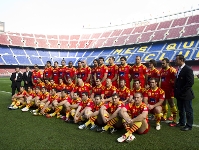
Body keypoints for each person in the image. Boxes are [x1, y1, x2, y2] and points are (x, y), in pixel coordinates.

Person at [172, 54, 194, 131]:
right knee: (181, 109)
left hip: (186, 94)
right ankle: (182, 122)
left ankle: (189, 125)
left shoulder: (188, 69)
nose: (175, 61)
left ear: (181, 60)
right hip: (179, 94)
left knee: (188, 110)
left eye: (177, 59)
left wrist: (182, 91)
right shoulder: (179, 68)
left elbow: (190, 82)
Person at [159, 58, 177, 122]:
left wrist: (173, 88)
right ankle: (164, 115)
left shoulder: (172, 70)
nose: (162, 64)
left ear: (167, 63)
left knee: (171, 103)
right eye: (162, 63)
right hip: (163, 90)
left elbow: (175, 80)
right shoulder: (161, 70)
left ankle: (173, 115)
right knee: (163, 103)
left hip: (170, 90)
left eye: (163, 63)